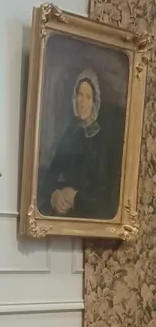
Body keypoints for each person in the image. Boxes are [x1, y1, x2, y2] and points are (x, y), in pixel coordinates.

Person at [38, 68, 121, 220]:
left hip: (91, 217)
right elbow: (51, 174)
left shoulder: (104, 138)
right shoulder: (71, 132)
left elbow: (106, 195)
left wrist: (76, 198)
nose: (82, 102)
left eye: (88, 97)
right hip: (64, 215)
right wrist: (54, 195)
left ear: (95, 102)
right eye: (80, 95)